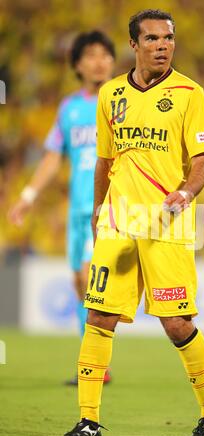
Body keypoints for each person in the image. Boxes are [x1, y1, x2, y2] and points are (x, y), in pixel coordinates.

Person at [64, 9, 204, 436]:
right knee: (99, 315)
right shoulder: (111, 94)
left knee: (176, 324)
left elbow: (203, 159)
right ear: (133, 45)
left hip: (167, 222)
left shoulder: (190, 93)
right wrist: (99, 211)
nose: (162, 46)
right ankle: (88, 419)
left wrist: (187, 194)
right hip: (119, 221)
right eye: (152, 39)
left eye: (168, 38)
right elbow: (104, 160)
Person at [9, 30, 115, 386]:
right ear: (77, 65)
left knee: (89, 277)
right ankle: (95, 362)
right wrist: (27, 196)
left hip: (110, 208)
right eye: (91, 55)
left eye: (105, 54)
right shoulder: (69, 109)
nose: (99, 60)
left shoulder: (123, 100)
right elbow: (53, 158)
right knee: (77, 281)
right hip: (78, 209)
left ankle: (94, 366)